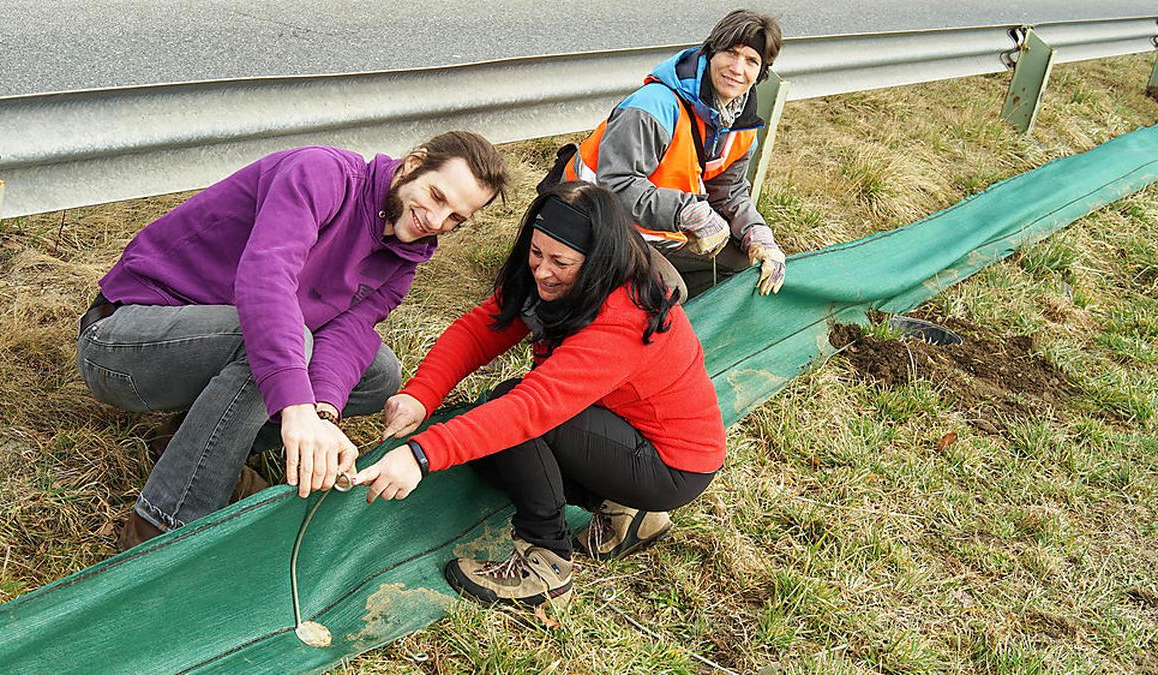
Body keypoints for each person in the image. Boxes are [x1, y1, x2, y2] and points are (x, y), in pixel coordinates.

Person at [76, 131, 509, 550]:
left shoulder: (403, 260)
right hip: (124, 341)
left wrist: (321, 412)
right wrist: (295, 409)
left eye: (454, 218)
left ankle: (190, 445)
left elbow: (349, 332)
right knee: (283, 345)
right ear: (413, 164)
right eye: (436, 196)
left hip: (215, 346)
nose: (435, 222)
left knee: (379, 374)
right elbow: (266, 282)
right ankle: (163, 527)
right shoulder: (320, 173)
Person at [355, 181, 727, 607]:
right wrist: (422, 394)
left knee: (508, 415)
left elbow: (529, 409)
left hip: (671, 464)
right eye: (536, 252)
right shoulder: (564, 279)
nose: (542, 271)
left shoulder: (623, 317)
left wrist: (421, 456)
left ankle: (546, 564)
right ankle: (626, 512)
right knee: (493, 459)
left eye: (560, 262)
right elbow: (482, 329)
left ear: (597, 263)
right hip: (624, 431)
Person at [559, 9, 786, 300]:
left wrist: (757, 235)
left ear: (761, 73)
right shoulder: (654, 106)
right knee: (666, 292)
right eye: (730, 52)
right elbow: (614, 187)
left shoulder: (740, 124)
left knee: (744, 266)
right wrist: (687, 212)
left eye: (751, 60)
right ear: (710, 52)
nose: (737, 68)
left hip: (658, 229)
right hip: (590, 218)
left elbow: (729, 194)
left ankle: (675, 330)